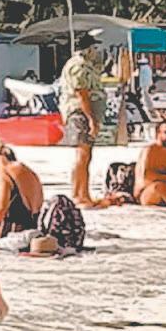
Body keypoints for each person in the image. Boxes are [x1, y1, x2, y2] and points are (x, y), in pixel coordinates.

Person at [59, 30, 107, 207]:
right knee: (82, 154)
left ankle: (83, 193)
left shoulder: (87, 65)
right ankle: (78, 194)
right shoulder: (78, 66)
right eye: (94, 47)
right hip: (80, 113)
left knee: (86, 155)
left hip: (85, 113)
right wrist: (91, 119)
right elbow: (82, 94)